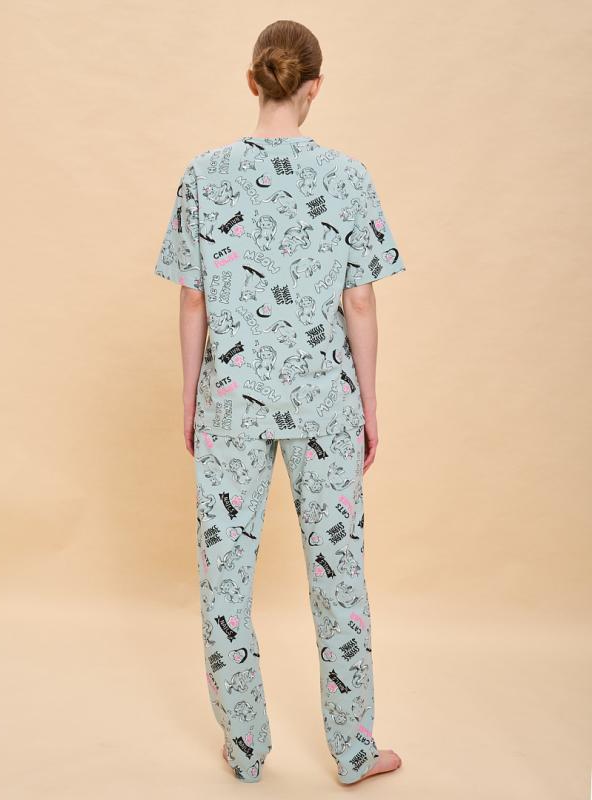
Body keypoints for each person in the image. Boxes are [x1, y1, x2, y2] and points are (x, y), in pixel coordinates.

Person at [154, 19, 406, 785]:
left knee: (224, 578)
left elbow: (192, 301)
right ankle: (354, 751)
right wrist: (368, 405)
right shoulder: (349, 177)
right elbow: (358, 302)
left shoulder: (204, 175)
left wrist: (191, 397)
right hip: (324, 401)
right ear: (314, 88)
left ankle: (244, 749)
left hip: (231, 399)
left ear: (253, 80)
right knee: (339, 577)